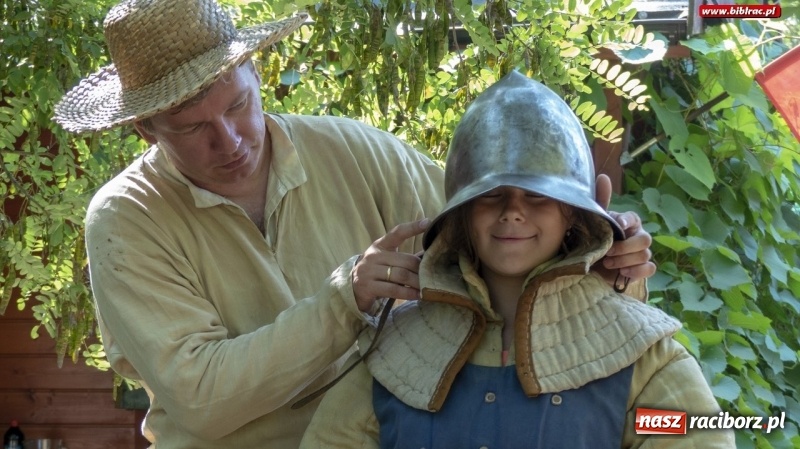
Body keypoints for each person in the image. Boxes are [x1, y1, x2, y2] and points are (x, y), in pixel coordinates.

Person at [53, 1, 657, 448]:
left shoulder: (354, 152)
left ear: (257, 75)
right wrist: (344, 302)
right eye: (191, 127)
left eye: (238, 104)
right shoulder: (126, 221)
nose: (229, 138)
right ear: (145, 130)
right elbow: (203, 399)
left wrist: (597, 254)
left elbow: (492, 238)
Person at [300, 72, 734, 448]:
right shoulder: (395, 351)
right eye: (490, 195)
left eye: (538, 196)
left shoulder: (644, 355)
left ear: (573, 212)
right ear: (463, 214)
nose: (512, 211)